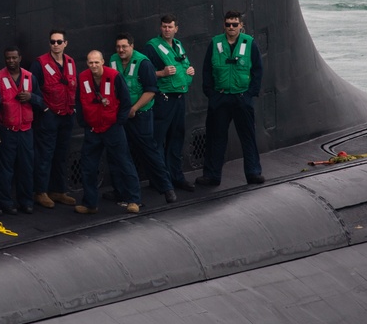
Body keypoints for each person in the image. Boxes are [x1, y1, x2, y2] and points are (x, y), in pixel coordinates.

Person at [197, 11, 265, 186]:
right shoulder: (215, 43)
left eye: (235, 24)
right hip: (220, 97)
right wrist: (211, 94)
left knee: (247, 136)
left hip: (242, 97)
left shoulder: (249, 43)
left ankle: (253, 173)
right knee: (215, 137)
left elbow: (257, 70)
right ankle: (212, 175)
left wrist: (250, 94)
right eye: (228, 24)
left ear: (241, 25)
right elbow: (206, 70)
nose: (231, 27)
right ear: (224, 25)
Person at [109, 32, 177, 204]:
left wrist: (134, 108)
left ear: (132, 46)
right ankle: (121, 191)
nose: (121, 50)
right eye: (118, 47)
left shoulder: (143, 63)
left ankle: (167, 188)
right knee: (119, 154)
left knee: (150, 151)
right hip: (120, 116)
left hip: (140, 115)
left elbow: (151, 90)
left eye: (124, 46)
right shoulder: (113, 60)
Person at [75, 51, 142, 214]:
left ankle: (134, 200)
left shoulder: (114, 76)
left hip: (112, 128)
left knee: (124, 162)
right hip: (93, 130)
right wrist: (84, 123)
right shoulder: (83, 78)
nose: (94, 66)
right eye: (91, 63)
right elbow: (78, 101)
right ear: (87, 63)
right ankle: (90, 203)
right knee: (88, 166)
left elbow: (126, 101)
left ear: (102, 62)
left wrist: (118, 122)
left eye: (97, 62)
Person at [142, 14, 196, 191]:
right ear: (160, 28)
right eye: (164, 26)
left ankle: (175, 177)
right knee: (158, 140)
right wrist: (161, 73)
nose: (167, 29)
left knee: (176, 138)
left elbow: (182, 63)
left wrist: (189, 70)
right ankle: (159, 180)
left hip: (179, 98)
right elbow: (143, 74)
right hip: (163, 99)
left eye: (170, 27)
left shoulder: (178, 45)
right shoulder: (152, 47)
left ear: (176, 28)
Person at [30, 29, 77, 208]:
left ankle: (58, 190)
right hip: (49, 116)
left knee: (61, 154)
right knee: (45, 154)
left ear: (65, 43)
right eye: (52, 42)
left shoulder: (71, 62)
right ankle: (41, 191)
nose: (55, 45)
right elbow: (34, 89)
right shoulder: (40, 64)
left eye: (59, 42)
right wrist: (45, 108)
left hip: (67, 115)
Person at [0, 46, 41, 214]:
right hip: (7, 130)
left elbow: (41, 101)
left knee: (26, 168)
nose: (11, 61)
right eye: (8, 58)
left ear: (20, 58)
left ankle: (26, 201)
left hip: (26, 130)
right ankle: (5, 202)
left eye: (14, 58)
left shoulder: (30, 77)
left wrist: (31, 97)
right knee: (5, 170)